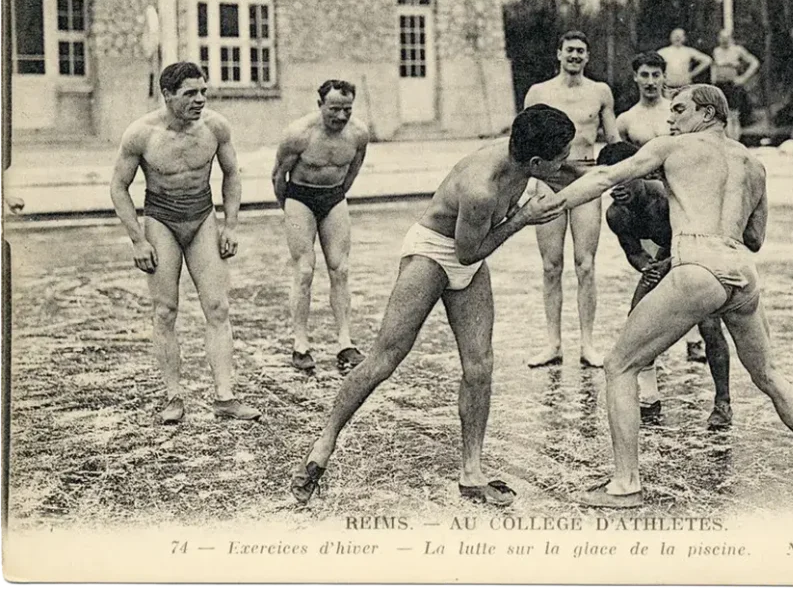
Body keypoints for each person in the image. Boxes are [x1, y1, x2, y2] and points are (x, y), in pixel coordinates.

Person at [547, 84, 793, 507]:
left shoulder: (670, 147)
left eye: (680, 109)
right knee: (768, 376)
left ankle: (625, 484)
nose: (671, 118)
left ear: (707, 113)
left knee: (619, 366)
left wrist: (545, 209)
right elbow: (755, 239)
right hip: (742, 273)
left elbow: (605, 177)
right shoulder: (753, 163)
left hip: (699, 265)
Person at [289, 104, 577, 506]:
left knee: (480, 366)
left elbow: (570, 176)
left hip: (470, 256)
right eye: (561, 156)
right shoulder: (480, 188)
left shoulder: (523, 157)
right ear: (535, 162)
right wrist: (523, 218)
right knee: (384, 359)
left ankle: (471, 472)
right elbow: (467, 253)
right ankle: (324, 441)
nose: (565, 162)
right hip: (436, 253)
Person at [109, 62, 261, 424]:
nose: (200, 100)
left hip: (202, 218)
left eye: (203, 92)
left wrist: (231, 226)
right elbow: (118, 187)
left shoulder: (215, 127)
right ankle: (173, 396)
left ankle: (225, 397)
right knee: (165, 311)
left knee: (218, 307)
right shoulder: (141, 134)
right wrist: (138, 240)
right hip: (161, 220)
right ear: (167, 95)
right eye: (190, 93)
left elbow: (232, 174)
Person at [597, 142, 732, 428]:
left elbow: (701, 235)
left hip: (700, 251)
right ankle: (649, 396)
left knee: (709, 323)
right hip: (667, 254)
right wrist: (648, 268)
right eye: (611, 182)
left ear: (640, 173)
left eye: (624, 179)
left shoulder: (667, 197)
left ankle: (723, 401)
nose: (618, 189)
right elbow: (634, 252)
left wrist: (668, 263)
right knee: (637, 318)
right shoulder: (616, 214)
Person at [523, 30, 621, 370]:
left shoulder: (600, 92)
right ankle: (553, 342)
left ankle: (588, 344)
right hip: (549, 180)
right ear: (559, 53)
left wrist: (617, 176)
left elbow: (613, 141)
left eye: (581, 51)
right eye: (570, 50)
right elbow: (523, 141)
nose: (575, 56)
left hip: (586, 177)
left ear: (587, 56)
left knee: (586, 264)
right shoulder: (539, 92)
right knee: (551, 266)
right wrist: (526, 181)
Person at [272, 80, 370, 374]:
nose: (341, 116)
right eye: (334, 109)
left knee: (341, 270)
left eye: (347, 109)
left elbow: (353, 170)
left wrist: (336, 196)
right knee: (304, 271)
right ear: (320, 105)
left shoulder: (358, 134)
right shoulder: (298, 135)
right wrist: (289, 209)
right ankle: (300, 344)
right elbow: (277, 176)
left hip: (333, 197)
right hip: (299, 198)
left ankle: (345, 342)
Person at [711, 30, 760, 141]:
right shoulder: (716, 51)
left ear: (731, 38)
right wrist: (713, 79)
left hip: (732, 84)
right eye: (722, 38)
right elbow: (714, 66)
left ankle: (735, 141)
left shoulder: (737, 50)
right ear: (718, 38)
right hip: (720, 84)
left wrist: (744, 78)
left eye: (727, 37)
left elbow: (754, 63)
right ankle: (727, 142)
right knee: (723, 116)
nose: (724, 40)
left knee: (733, 115)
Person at [656, 28, 712, 100]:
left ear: (684, 38)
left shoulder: (688, 51)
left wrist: (692, 74)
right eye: (675, 35)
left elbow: (707, 60)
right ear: (670, 37)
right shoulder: (663, 52)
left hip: (685, 87)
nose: (677, 38)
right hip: (668, 88)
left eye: (680, 36)